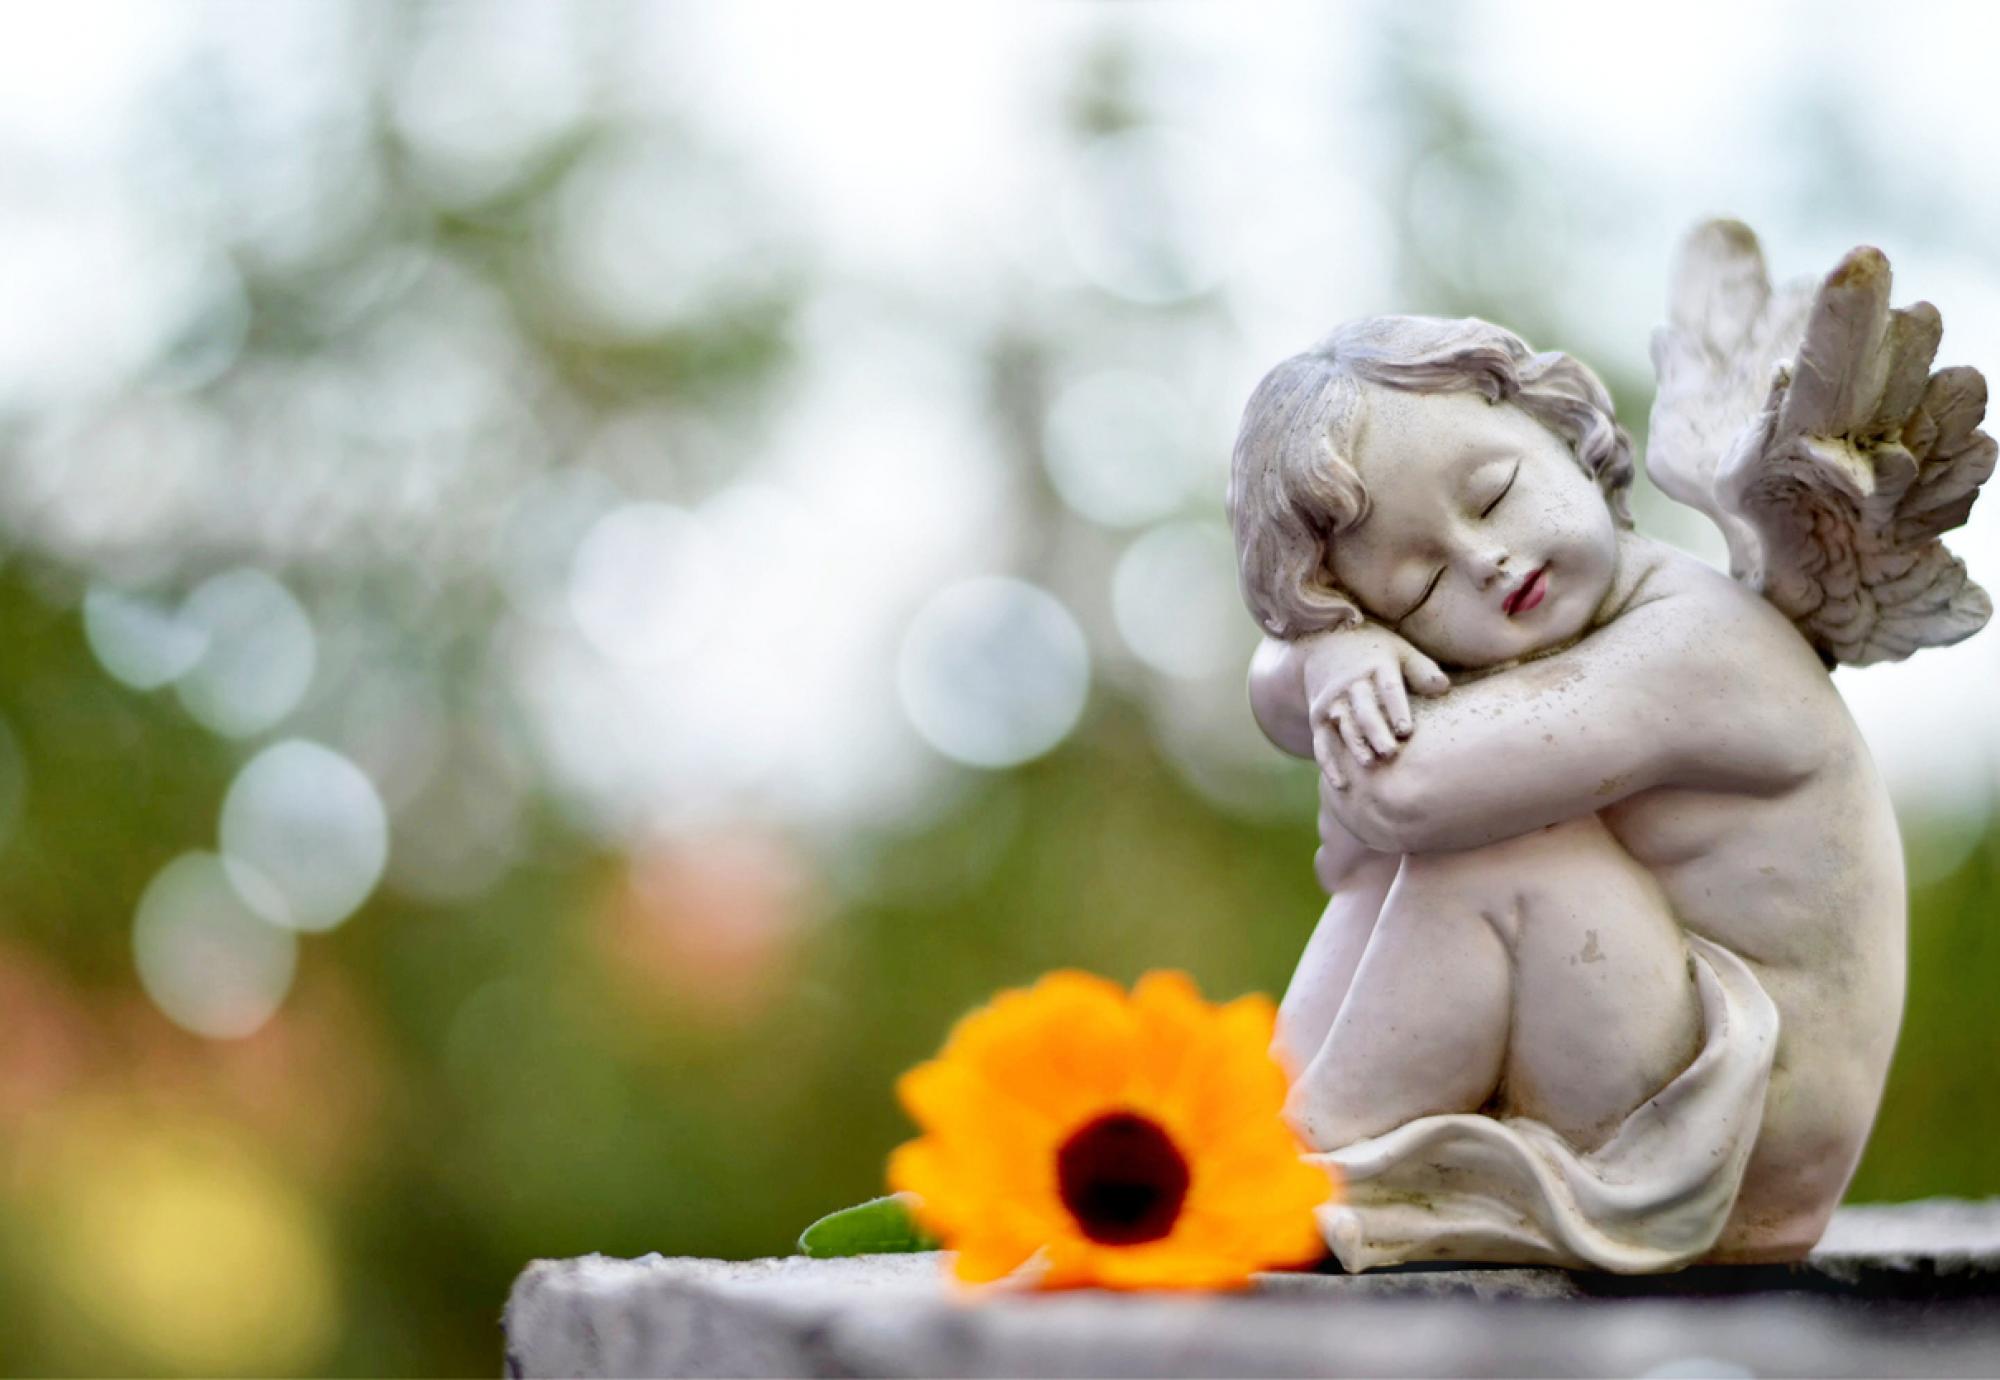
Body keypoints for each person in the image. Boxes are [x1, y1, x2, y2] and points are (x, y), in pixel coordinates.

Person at [1228, 316, 1905, 1269]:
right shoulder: (1549, 641)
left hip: (1740, 1142)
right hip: (1644, 1051)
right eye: (1418, 590)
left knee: (1498, 843)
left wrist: (1319, 668)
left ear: (1560, 429)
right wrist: (1329, 650)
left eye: (1495, 494)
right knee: (1409, 806)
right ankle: (1255, 1143)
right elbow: (1297, 707)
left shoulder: (1695, 646)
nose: (1485, 560)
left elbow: (1406, 792)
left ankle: (1275, 1174)